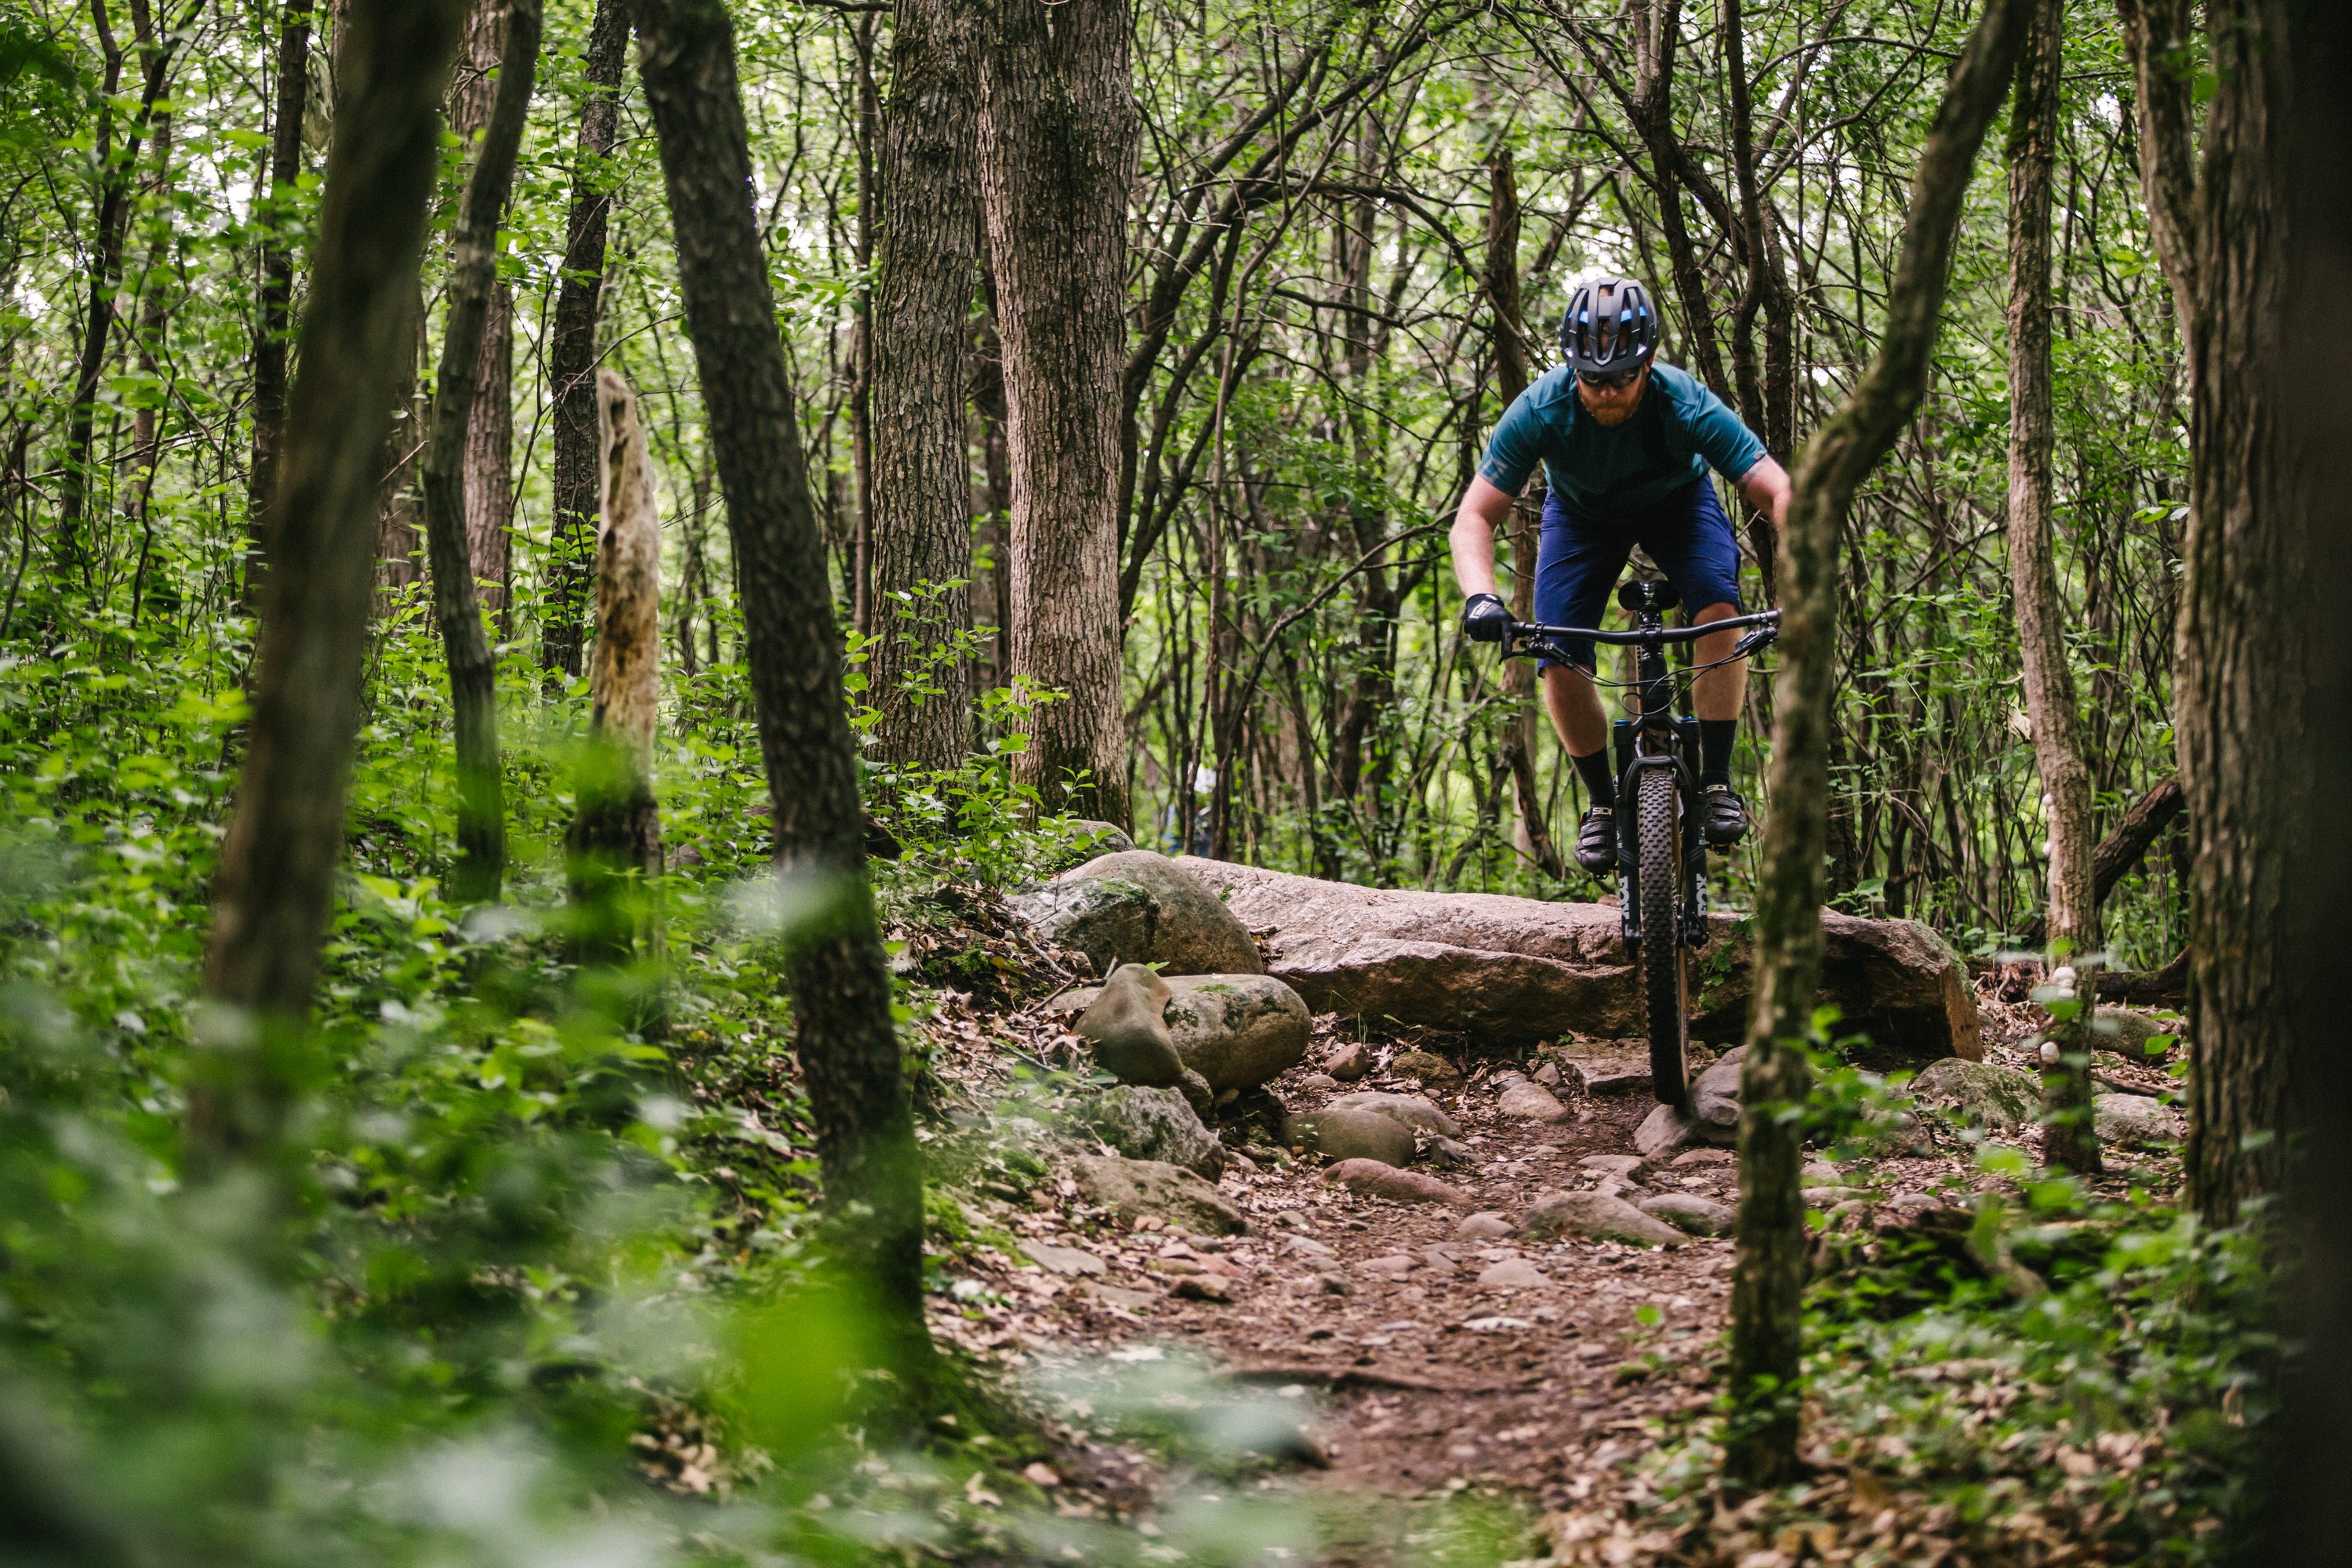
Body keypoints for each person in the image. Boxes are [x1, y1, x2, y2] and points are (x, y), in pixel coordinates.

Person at [1450, 276, 1791, 876]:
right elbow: (1474, 516)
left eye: (1621, 380)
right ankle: (1604, 805)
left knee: (1720, 610)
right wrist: (1482, 598)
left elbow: (1773, 486)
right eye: (1592, 380)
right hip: (1581, 517)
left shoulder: (1683, 400)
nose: (1606, 394)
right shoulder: (1541, 408)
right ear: (1570, 367)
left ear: (1650, 363)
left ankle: (1714, 784)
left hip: (1677, 503)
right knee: (1556, 650)